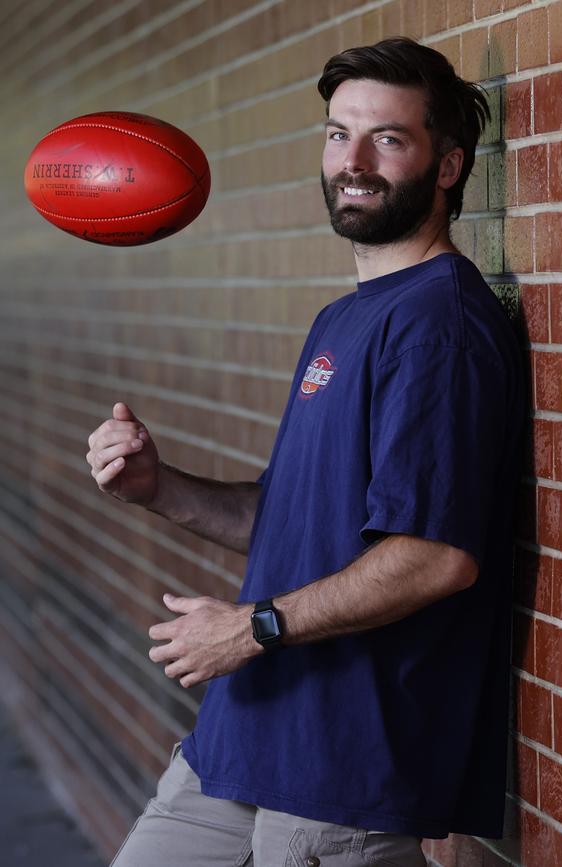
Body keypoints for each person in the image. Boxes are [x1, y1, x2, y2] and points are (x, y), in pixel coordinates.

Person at [87, 37, 525, 867]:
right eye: (336, 134)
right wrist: (156, 486)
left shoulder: (442, 327)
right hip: (242, 742)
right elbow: (289, 520)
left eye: (387, 139)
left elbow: (435, 558)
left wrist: (250, 629)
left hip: (343, 776)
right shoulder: (344, 317)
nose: (352, 161)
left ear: (447, 166)